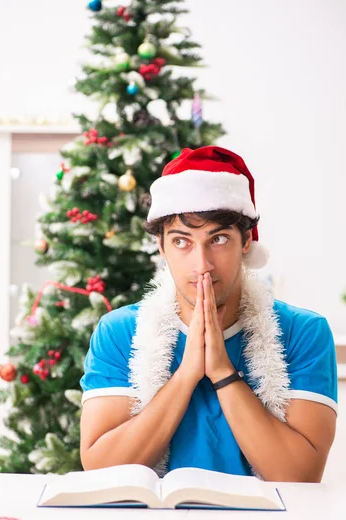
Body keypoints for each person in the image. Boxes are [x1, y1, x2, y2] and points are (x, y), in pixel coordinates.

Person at [79, 145, 337, 482]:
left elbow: (300, 476)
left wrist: (222, 372)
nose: (202, 264)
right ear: (161, 247)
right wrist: (186, 374)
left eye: (218, 239)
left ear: (246, 242)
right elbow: (102, 471)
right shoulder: (119, 332)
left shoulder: (304, 332)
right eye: (182, 241)